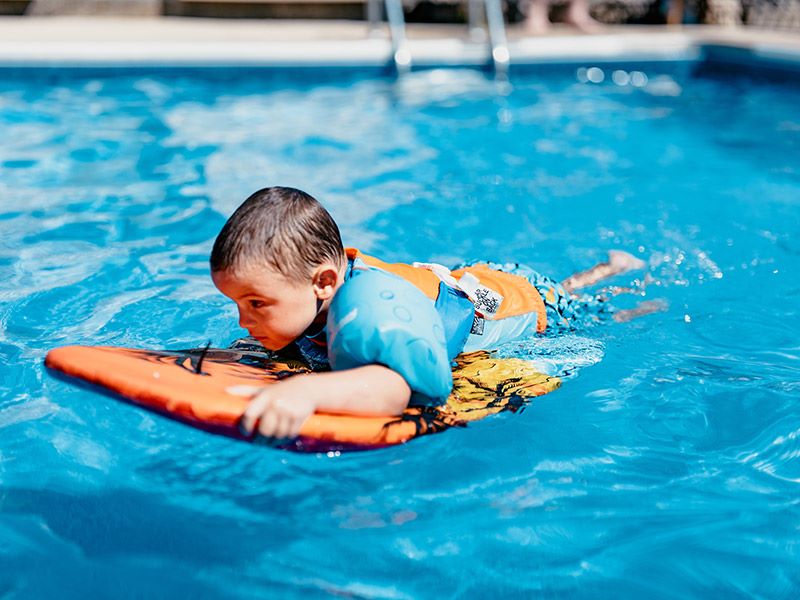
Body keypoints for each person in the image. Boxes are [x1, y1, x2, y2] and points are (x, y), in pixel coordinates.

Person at [211, 186, 661, 443]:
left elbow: (399, 389)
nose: (242, 321)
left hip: (528, 305)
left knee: (592, 310)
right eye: (237, 304)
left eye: (256, 304)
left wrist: (306, 391)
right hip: (467, 283)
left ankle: (623, 282)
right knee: (569, 288)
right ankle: (607, 269)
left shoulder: (368, 315)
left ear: (325, 283)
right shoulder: (317, 293)